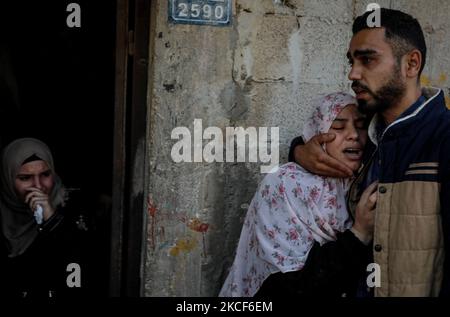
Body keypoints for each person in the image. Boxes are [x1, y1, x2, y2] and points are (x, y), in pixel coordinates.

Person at [291, 8, 450, 296]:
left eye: (368, 59)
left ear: (411, 64)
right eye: (351, 61)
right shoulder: (369, 142)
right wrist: (298, 151)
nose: (353, 73)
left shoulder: (442, 138)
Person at [220, 92, 377, 297]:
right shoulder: (285, 186)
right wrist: (358, 235)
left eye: (361, 125)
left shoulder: (364, 183)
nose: (354, 135)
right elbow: (291, 287)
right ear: (318, 132)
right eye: (338, 127)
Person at [0, 138, 94, 297]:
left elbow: (78, 277)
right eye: (25, 177)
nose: (38, 186)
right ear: (8, 178)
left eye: (45, 174)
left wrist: (52, 221)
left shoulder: (72, 207)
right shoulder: (2, 214)